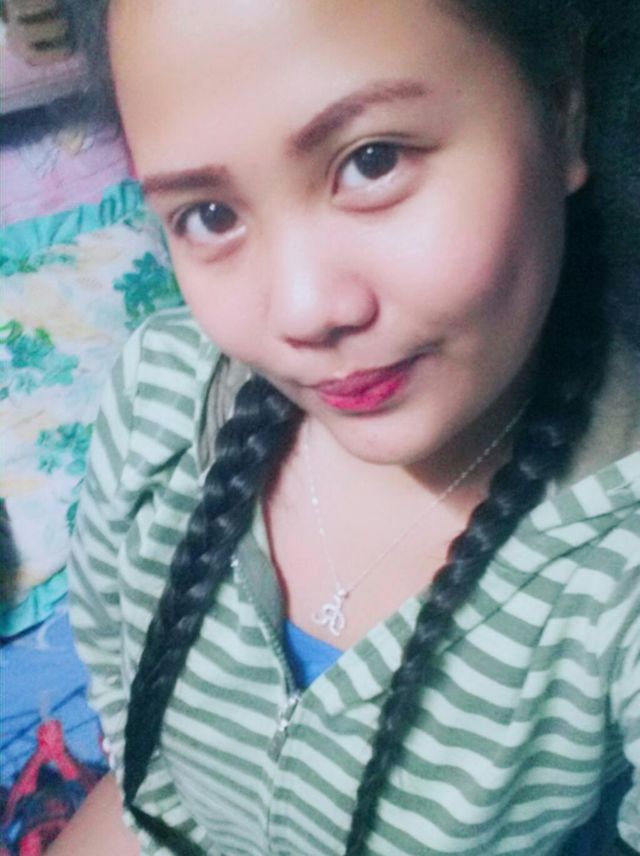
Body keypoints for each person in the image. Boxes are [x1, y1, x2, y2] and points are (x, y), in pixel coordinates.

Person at [60, 0, 640, 853]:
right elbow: (134, 753)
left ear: (562, 107)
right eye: (210, 215)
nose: (304, 311)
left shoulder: (616, 573)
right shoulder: (160, 402)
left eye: (372, 162)